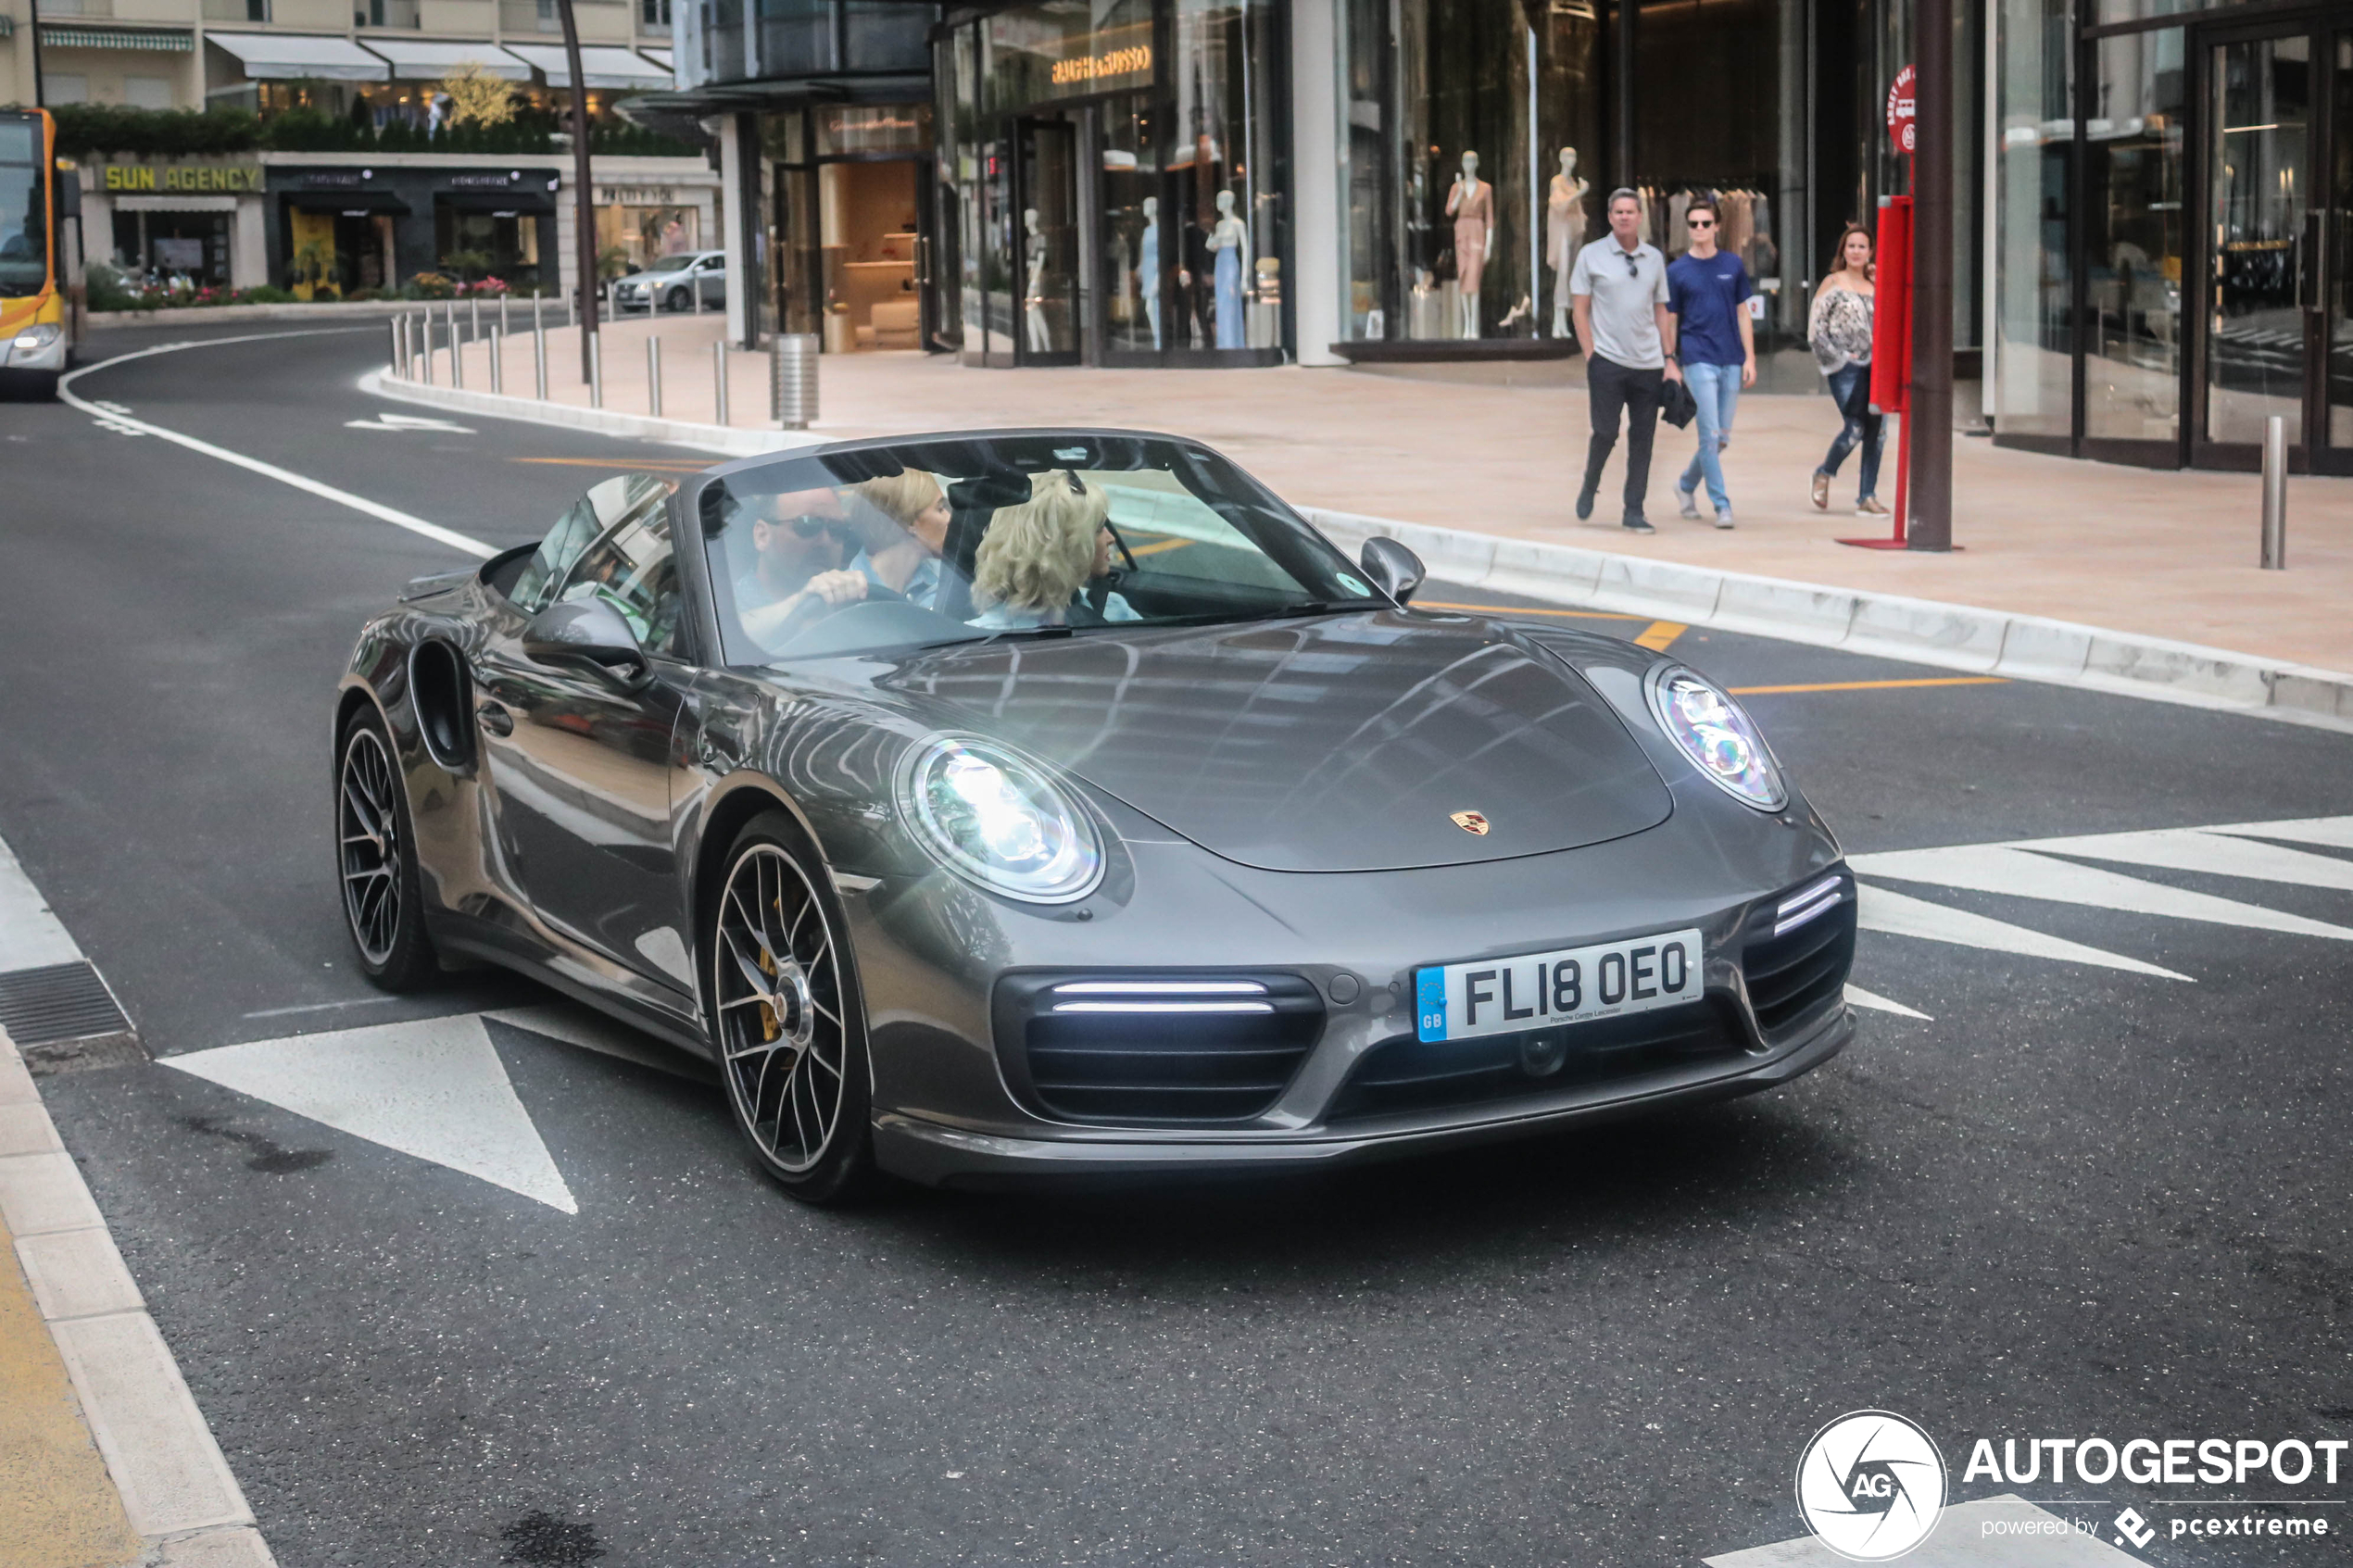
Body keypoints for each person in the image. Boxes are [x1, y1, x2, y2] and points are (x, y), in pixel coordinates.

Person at [1570, 188, 1681, 534]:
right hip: (1607, 360)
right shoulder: (1591, 255)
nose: (1624, 217)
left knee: (1643, 438)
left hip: (1648, 363)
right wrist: (1591, 355)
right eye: (1618, 211)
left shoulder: (1654, 258)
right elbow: (1579, 309)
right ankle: (1591, 483)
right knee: (1605, 432)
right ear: (1609, 216)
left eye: (1630, 212)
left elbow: (1662, 310)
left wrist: (1669, 358)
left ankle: (1634, 509)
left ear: (1639, 216)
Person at [1666, 196, 1755, 530]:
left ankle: (1686, 485)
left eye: (1706, 223)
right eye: (1694, 224)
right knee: (1709, 435)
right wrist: (1670, 360)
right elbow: (1671, 319)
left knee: (1721, 439)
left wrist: (1750, 357)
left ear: (1717, 226)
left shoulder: (1732, 265)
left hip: (1730, 356)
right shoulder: (1676, 271)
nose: (1700, 229)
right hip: (1697, 356)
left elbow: (1743, 313)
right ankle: (1722, 505)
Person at [968, 471, 1138, 630]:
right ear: (1062, 546)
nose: (1111, 538)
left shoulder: (1114, 607)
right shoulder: (977, 639)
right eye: (1099, 528)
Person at [1808, 223, 1888, 517]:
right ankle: (1825, 472)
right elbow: (1816, 330)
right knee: (1855, 427)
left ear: (1870, 251)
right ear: (1844, 250)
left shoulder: (1878, 282)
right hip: (1846, 366)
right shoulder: (1833, 282)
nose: (1856, 251)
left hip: (1877, 365)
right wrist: (1840, 356)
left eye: (1862, 246)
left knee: (1877, 432)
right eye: (1851, 246)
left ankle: (1867, 496)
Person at [733, 487, 870, 647]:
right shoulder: (722, 605)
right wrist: (800, 605)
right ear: (762, 536)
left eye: (837, 530)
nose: (825, 541)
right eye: (807, 525)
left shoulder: (851, 605)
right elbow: (726, 640)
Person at [848, 469, 950, 608]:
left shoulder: (942, 584)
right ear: (908, 521)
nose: (948, 518)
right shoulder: (846, 596)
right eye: (940, 509)